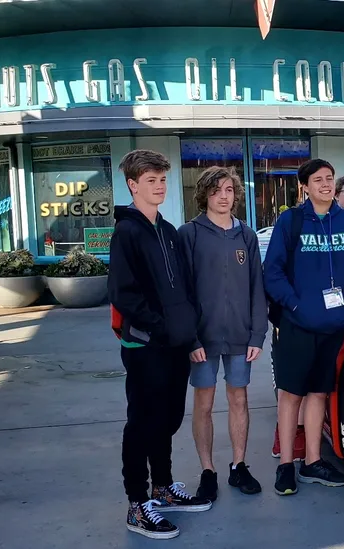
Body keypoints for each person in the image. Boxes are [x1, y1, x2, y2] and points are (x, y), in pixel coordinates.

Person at [108, 149, 211, 540]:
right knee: (142, 423)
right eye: (151, 181)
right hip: (145, 345)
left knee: (167, 420)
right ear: (133, 185)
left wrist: (188, 332)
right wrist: (163, 328)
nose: (159, 187)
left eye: (163, 180)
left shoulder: (167, 231)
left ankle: (162, 487)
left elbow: (184, 288)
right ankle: (137, 503)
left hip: (175, 344)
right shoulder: (127, 233)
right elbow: (124, 294)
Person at [264, 158, 344, 495]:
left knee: (319, 393)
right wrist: (295, 304)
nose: (325, 184)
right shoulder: (290, 221)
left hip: (332, 325)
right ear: (305, 187)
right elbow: (273, 272)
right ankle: (285, 466)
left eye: (329, 178)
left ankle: (312, 462)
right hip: (295, 323)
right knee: (290, 393)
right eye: (318, 180)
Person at [177, 166, 265, 501]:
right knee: (204, 402)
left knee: (239, 399)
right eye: (216, 191)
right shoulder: (190, 234)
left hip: (241, 336)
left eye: (229, 190)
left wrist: (257, 335)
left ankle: (238, 466)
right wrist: (191, 338)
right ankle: (208, 471)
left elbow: (258, 286)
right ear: (205, 195)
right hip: (203, 339)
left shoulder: (247, 235)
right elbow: (182, 291)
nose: (223, 196)